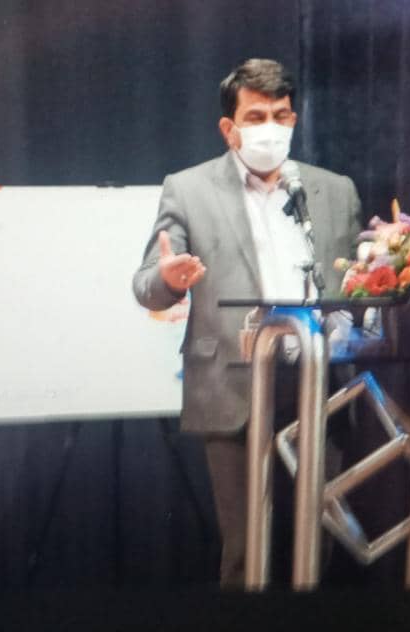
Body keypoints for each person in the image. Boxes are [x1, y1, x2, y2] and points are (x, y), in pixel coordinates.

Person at [132, 58, 362, 588]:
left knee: (318, 542)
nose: (270, 129)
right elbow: (146, 284)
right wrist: (169, 277)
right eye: (256, 117)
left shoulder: (334, 190)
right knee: (246, 551)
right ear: (228, 128)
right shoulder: (188, 189)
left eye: (280, 116)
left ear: (294, 119)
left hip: (321, 384)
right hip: (235, 386)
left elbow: (355, 283)